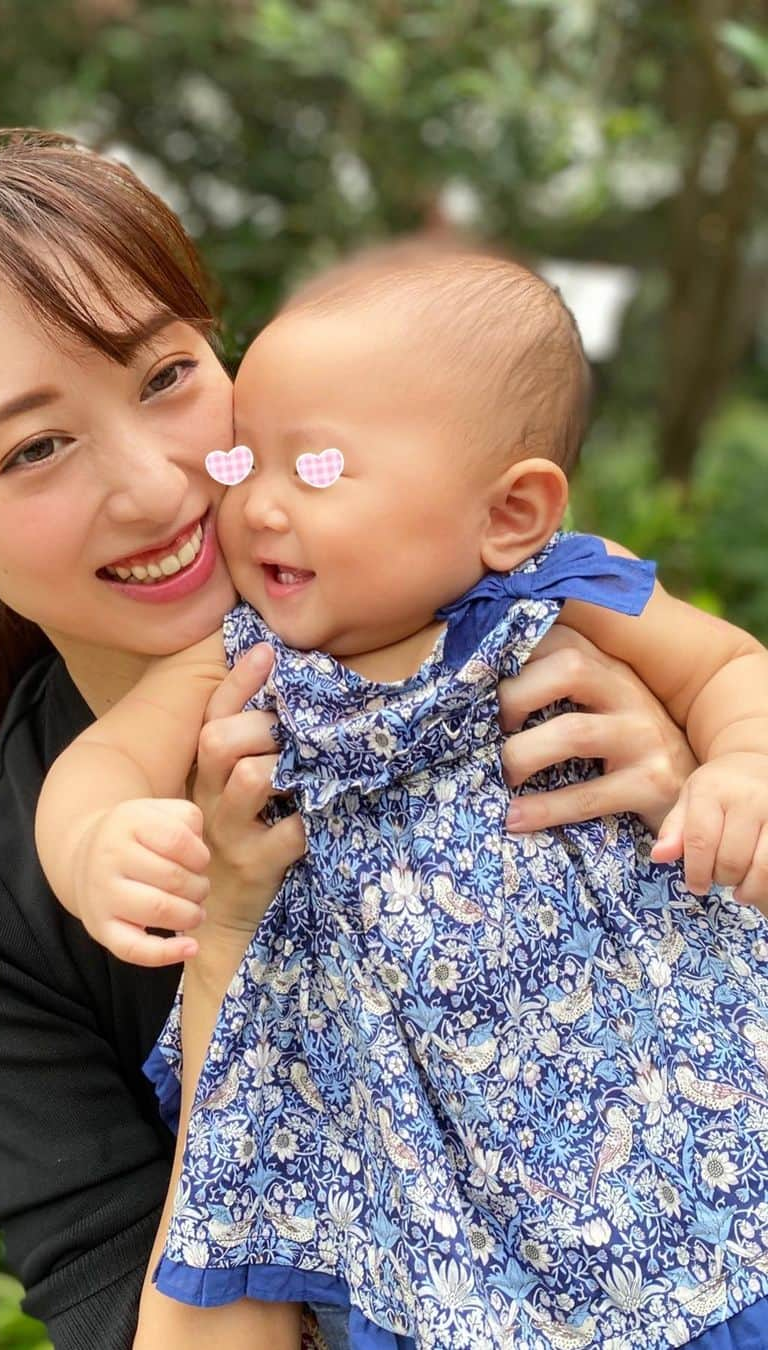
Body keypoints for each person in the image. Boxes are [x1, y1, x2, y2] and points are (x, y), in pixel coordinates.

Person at [0, 128, 714, 1349]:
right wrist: (230, 941)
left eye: (165, 377)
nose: (157, 485)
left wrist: (695, 784)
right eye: (34, 448)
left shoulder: (462, 585)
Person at [37, 251, 768, 1349]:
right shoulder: (244, 665)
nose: (260, 508)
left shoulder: (560, 587)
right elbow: (100, 765)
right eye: (247, 467)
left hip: (660, 1104)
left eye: (318, 469)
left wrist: (743, 767)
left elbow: (726, 670)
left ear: (512, 511)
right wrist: (98, 843)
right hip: (413, 1151)